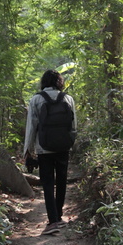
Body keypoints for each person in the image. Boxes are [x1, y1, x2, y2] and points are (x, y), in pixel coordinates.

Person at [24, 69, 77, 236]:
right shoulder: (68, 98)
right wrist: (70, 143)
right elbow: (73, 126)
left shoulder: (36, 99)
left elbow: (31, 126)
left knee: (47, 183)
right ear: (58, 82)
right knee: (61, 181)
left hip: (44, 148)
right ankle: (59, 216)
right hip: (63, 147)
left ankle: (52, 220)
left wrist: (28, 150)